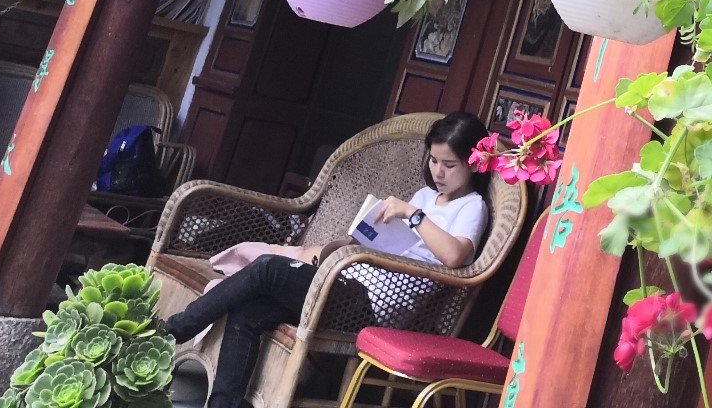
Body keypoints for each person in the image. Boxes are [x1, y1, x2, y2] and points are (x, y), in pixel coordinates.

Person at [163, 112, 492, 408]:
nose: (438, 171)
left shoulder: (471, 206)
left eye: (450, 165)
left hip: (369, 307)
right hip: (346, 283)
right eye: (433, 160)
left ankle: (173, 330)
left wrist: (413, 214)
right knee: (249, 311)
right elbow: (397, 242)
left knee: (267, 268)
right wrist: (367, 233)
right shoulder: (426, 195)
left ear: (474, 163)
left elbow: (454, 255)